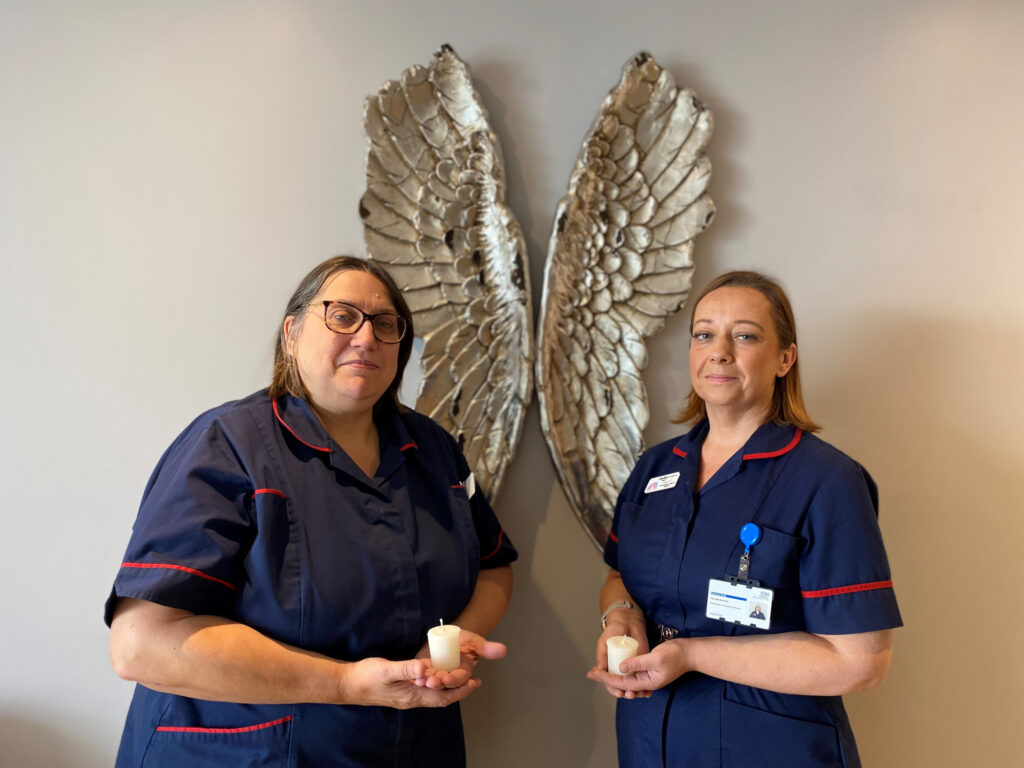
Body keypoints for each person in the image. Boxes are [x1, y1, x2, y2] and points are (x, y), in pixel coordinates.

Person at [106, 256, 517, 767]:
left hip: (414, 746)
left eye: (385, 324)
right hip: (245, 752)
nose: (366, 338)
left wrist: (446, 645)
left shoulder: (433, 449)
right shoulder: (227, 445)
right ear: (293, 333)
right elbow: (140, 644)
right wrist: (346, 684)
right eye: (342, 316)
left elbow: (494, 565)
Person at [588, 270, 901, 768]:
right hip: (651, 740)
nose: (720, 351)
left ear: (785, 359)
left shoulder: (828, 481)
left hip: (767, 747)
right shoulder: (655, 468)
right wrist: (621, 615)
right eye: (705, 334)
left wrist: (690, 655)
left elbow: (861, 663)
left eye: (746, 336)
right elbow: (618, 574)